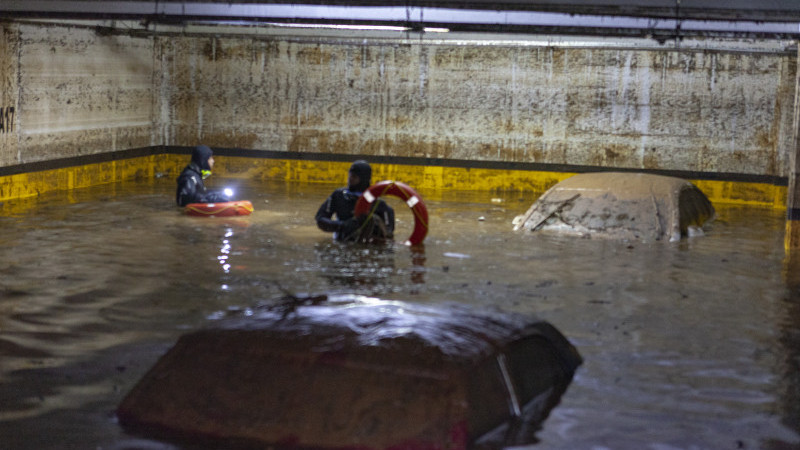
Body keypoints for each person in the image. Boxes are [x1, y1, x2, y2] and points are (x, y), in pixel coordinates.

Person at [315, 160, 395, 242]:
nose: (350, 179)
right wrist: (343, 226)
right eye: (350, 175)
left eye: (354, 177)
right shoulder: (338, 195)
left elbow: (389, 234)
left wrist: (374, 226)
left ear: (364, 179)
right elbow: (320, 219)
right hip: (342, 240)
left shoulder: (378, 203)